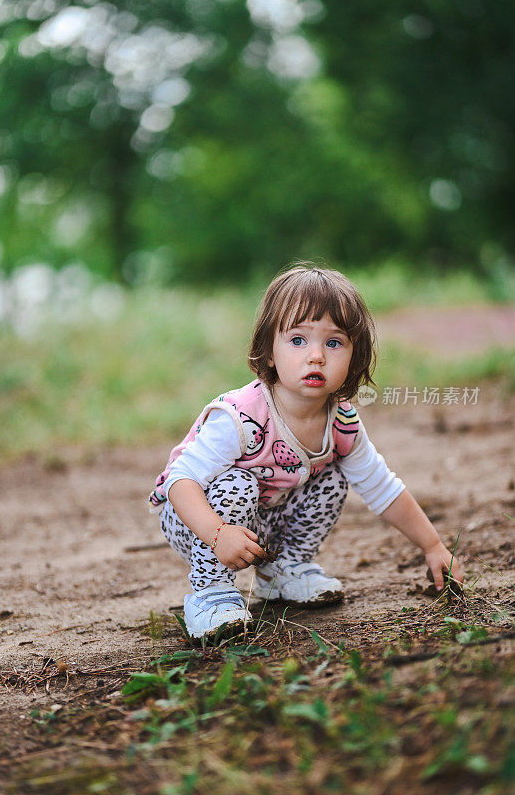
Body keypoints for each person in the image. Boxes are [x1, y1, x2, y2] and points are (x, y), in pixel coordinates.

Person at [149, 264, 464, 639]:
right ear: (269, 351)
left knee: (332, 477)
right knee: (237, 484)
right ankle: (211, 593)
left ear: (353, 356)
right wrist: (217, 535)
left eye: (333, 343)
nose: (316, 356)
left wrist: (432, 545)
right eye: (298, 340)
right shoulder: (241, 417)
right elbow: (180, 482)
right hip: (194, 517)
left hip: (263, 517)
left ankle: (283, 570)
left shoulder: (341, 420)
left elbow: (381, 486)